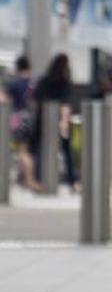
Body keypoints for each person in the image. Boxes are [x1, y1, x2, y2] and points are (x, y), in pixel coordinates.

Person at [30, 54, 77, 191]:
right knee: (66, 152)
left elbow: (36, 102)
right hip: (58, 121)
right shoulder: (64, 83)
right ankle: (72, 182)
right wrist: (63, 122)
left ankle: (39, 181)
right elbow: (65, 105)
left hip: (42, 121)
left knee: (39, 151)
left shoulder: (43, 81)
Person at [4, 56, 41, 192]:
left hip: (18, 118)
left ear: (18, 67)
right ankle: (25, 179)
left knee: (21, 151)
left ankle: (30, 180)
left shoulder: (15, 83)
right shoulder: (34, 82)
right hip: (31, 118)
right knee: (28, 150)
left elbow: (4, 98)